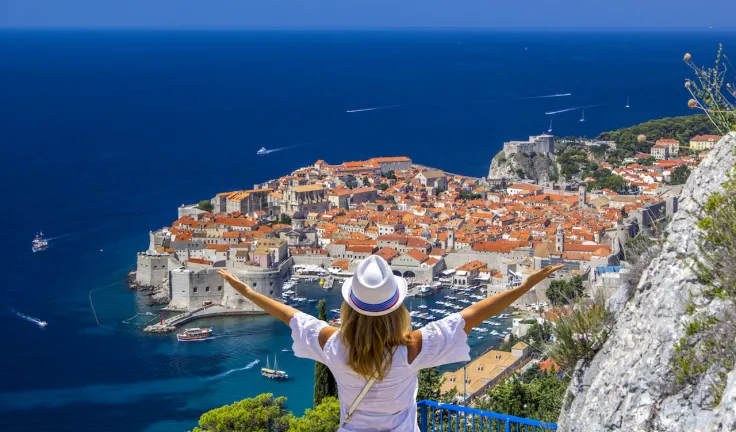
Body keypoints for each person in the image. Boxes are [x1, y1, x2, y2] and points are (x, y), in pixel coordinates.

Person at [218, 256, 563, 431]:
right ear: (396, 309)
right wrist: (522, 287)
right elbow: (472, 314)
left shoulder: (334, 345)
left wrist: (248, 292)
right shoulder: (412, 348)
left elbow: (290, 315)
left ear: (349, 307)